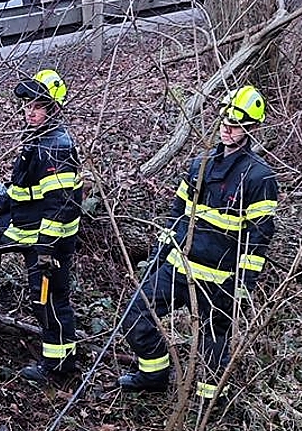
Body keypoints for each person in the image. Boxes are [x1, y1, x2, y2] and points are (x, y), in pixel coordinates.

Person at [118, 84, 278, 403]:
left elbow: (258, 235)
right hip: (179, 266)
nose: (227, 130)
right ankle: (153, 374)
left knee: (213, 340)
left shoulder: (259, 177)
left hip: (220, 277)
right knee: (136, 314)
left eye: (235, 125)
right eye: (225, 123)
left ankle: (209, 402)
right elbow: (177, 213)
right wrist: (160, 254)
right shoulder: (199, 165)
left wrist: (243, 284)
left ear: (251, 128)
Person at [0, 70, 84, 383]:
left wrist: (45, 249)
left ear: (53, 109)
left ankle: (59, 367)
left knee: (48, 300)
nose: (29, 111)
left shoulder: (56, 146)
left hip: (47, 240)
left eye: (37, 106)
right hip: (22, 224)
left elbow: (62, 205)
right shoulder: (36, 137)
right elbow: (22, 186)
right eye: (26, 105)